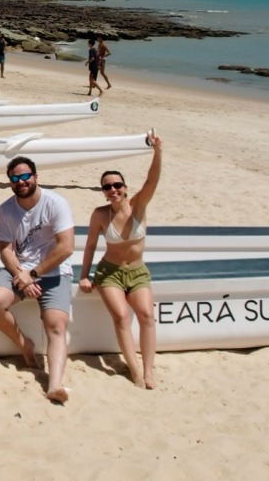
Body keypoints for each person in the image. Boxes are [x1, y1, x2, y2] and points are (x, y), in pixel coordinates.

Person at [0, 156, 76, 404]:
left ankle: (55, 384)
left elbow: (66, 247)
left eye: (25, 176)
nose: (21, 181)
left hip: (54, 271)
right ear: (10, 182)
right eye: (15, 178)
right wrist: (21, 275)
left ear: (35, 176)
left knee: (56, 324)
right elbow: (5, 250)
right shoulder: (6, 208)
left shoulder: (55, 203)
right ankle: (26, 345)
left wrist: (33, 274)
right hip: (21, 269)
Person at [77, 134, 164, 388]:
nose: (113, 190)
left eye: (117, 185)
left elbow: (152, 180)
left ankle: (149, 370)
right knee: (122, 317)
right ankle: (134, 370)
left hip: (138, 272)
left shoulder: (138, 206)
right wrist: (85, 275)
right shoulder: (100, 215)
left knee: (147, 315)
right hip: (110, 273)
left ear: (125, 188)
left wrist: (157, 151)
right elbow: (91, 245)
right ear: (103, 193)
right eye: (107, 187)